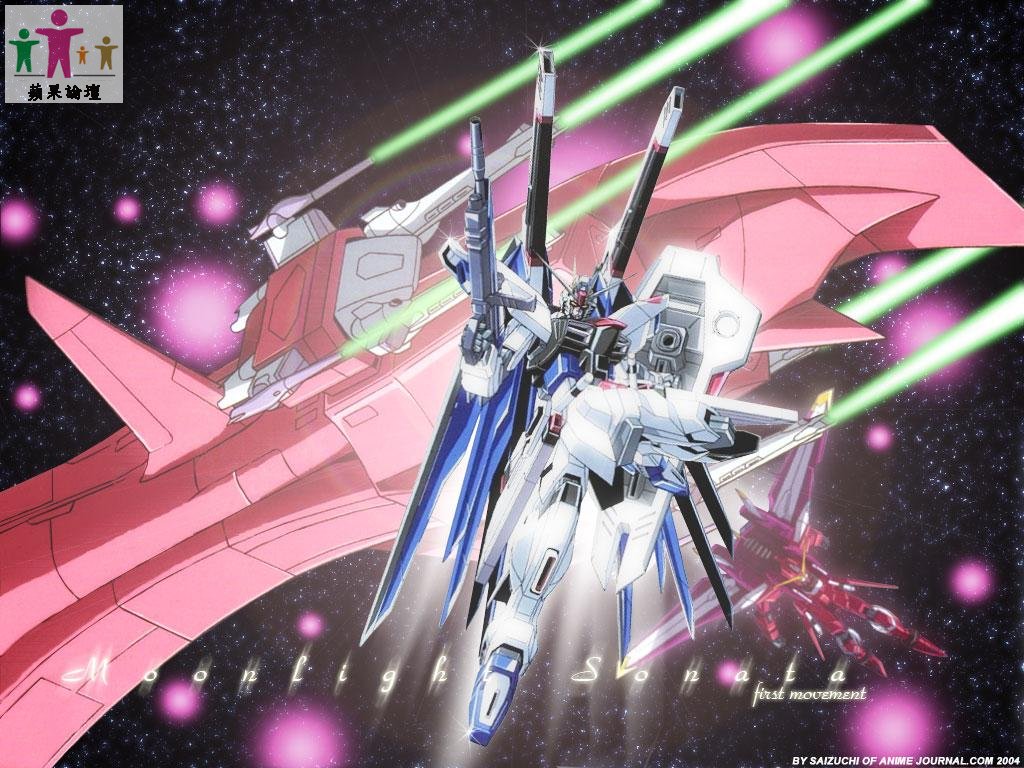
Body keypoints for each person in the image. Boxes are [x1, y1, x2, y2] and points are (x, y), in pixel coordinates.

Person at [34, 9, 83, 78]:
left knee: (53, 71)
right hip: (61, 53)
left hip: (55, 53)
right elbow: (80, 30)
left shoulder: (52, 32)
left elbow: (37, 30)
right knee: (63, 71)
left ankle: (53, 79)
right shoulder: (66, 32)